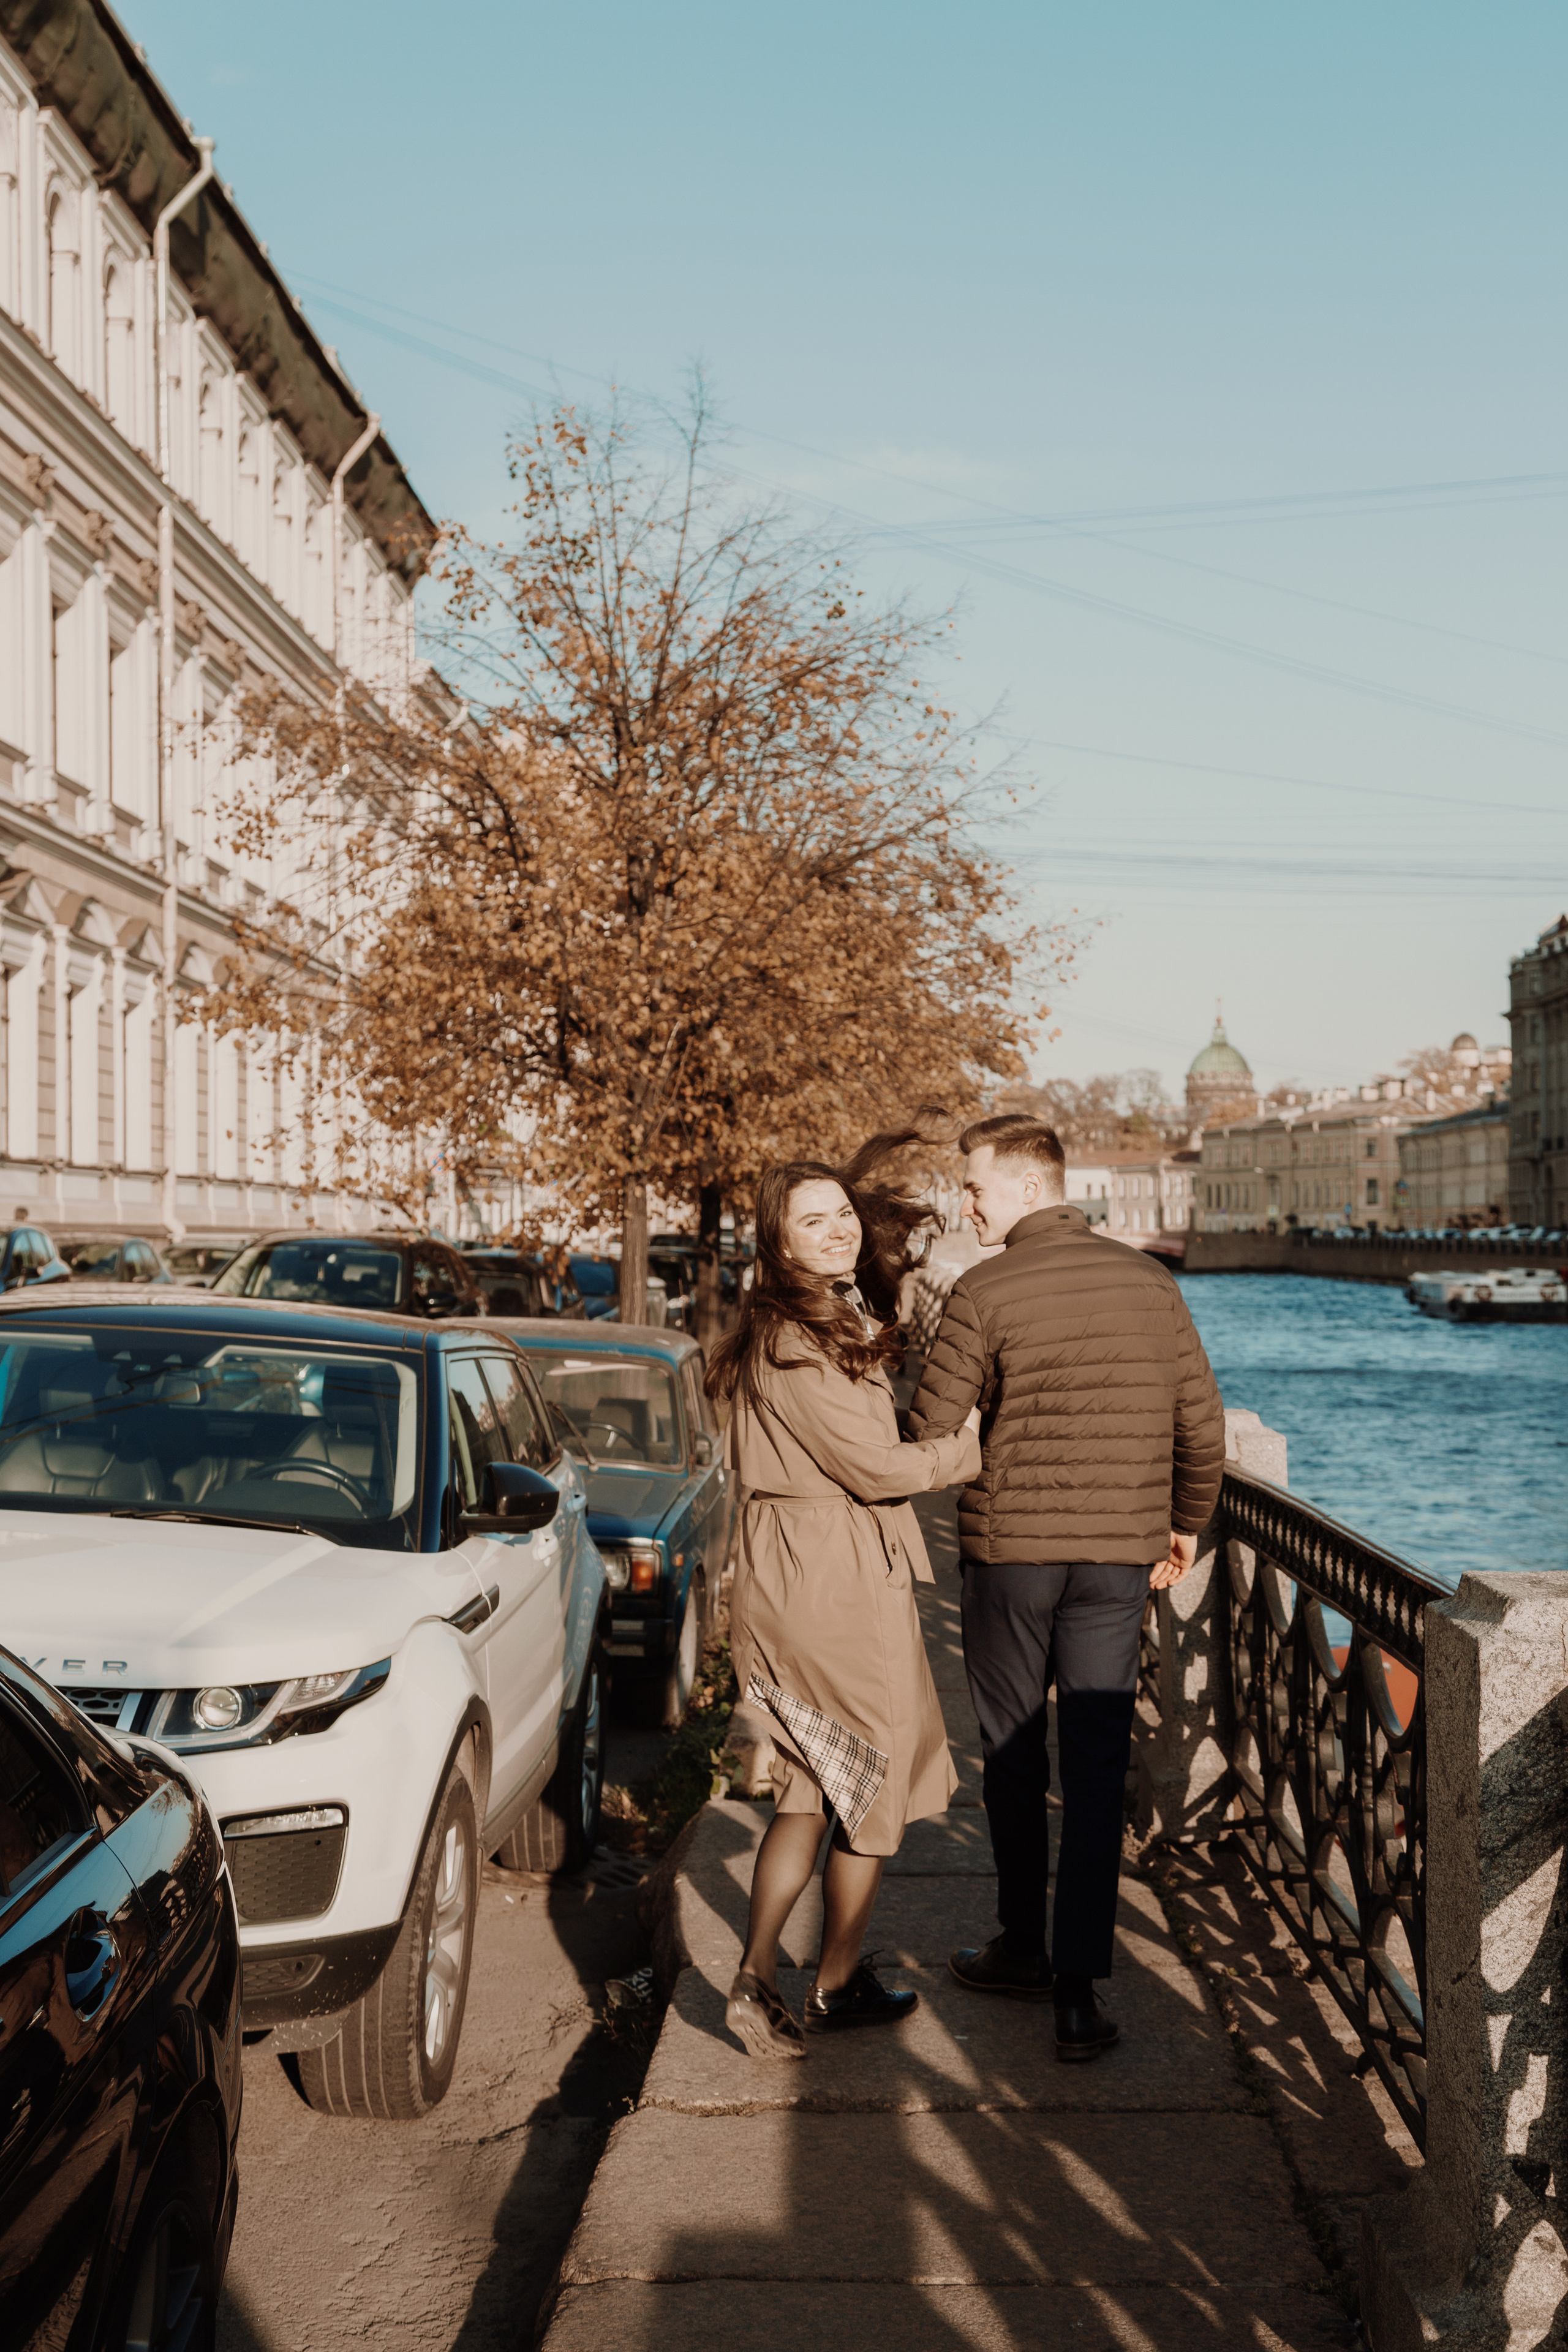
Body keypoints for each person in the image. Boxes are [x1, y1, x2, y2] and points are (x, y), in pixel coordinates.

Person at [909, 1113, 1224, 2061]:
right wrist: (1185, 1519)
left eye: (975, 1186)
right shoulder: (1151, 1283)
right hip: (1118, 1558)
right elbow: (1200, 1427)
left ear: (1030, 1187)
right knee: (1094, 1764)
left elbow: (932, 1425)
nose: (964, 1202)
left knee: (1010, 1752)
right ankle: (1080, 1991)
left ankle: (1019, 1944)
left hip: (1012, 1557)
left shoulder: (983, 1288)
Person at [707, 1143, 981, 2059]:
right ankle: (823, 1983)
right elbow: (872, 1467)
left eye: (842, 1216)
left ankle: (767, 1978)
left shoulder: (806, 1322)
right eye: (812, 1221)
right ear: (777, 1242)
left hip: (802, 1566)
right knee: (872, 1783)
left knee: (808, 1787)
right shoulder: (797, 1339)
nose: (837, 1232)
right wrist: (964, 1449)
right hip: (832, 1575)